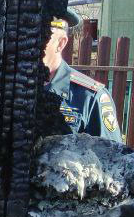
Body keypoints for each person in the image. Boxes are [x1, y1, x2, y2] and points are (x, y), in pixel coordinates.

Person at [44, 9, 123, 141]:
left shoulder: (90, 97)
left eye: (42, 37)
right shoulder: (8, 87)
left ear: (61, 43)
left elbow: (109, 155)